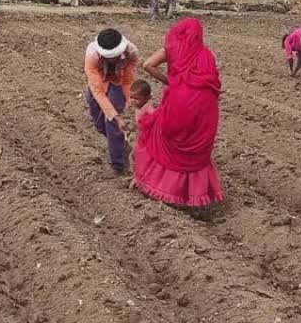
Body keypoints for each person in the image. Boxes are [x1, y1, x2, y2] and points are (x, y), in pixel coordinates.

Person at [132, 18, 224, 207]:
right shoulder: (206, 54)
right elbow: (213, 83)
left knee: (165, 139)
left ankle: (163, 188)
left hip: (179, 102)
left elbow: (148, 64)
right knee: (195, 146)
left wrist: (171, 81)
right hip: (205, 107)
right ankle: (194, 196)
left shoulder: (172, 48)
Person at [85, 28, 140, 174]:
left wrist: (129, 103)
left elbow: (128, 79)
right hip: (99, 82)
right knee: (100, 124)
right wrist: (115, 115)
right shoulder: (92, 54)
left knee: (113, 125)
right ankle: (120, 145)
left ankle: (118, 165)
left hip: (118, 82)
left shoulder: (131, 52)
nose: (111, 59)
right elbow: (97, 91)